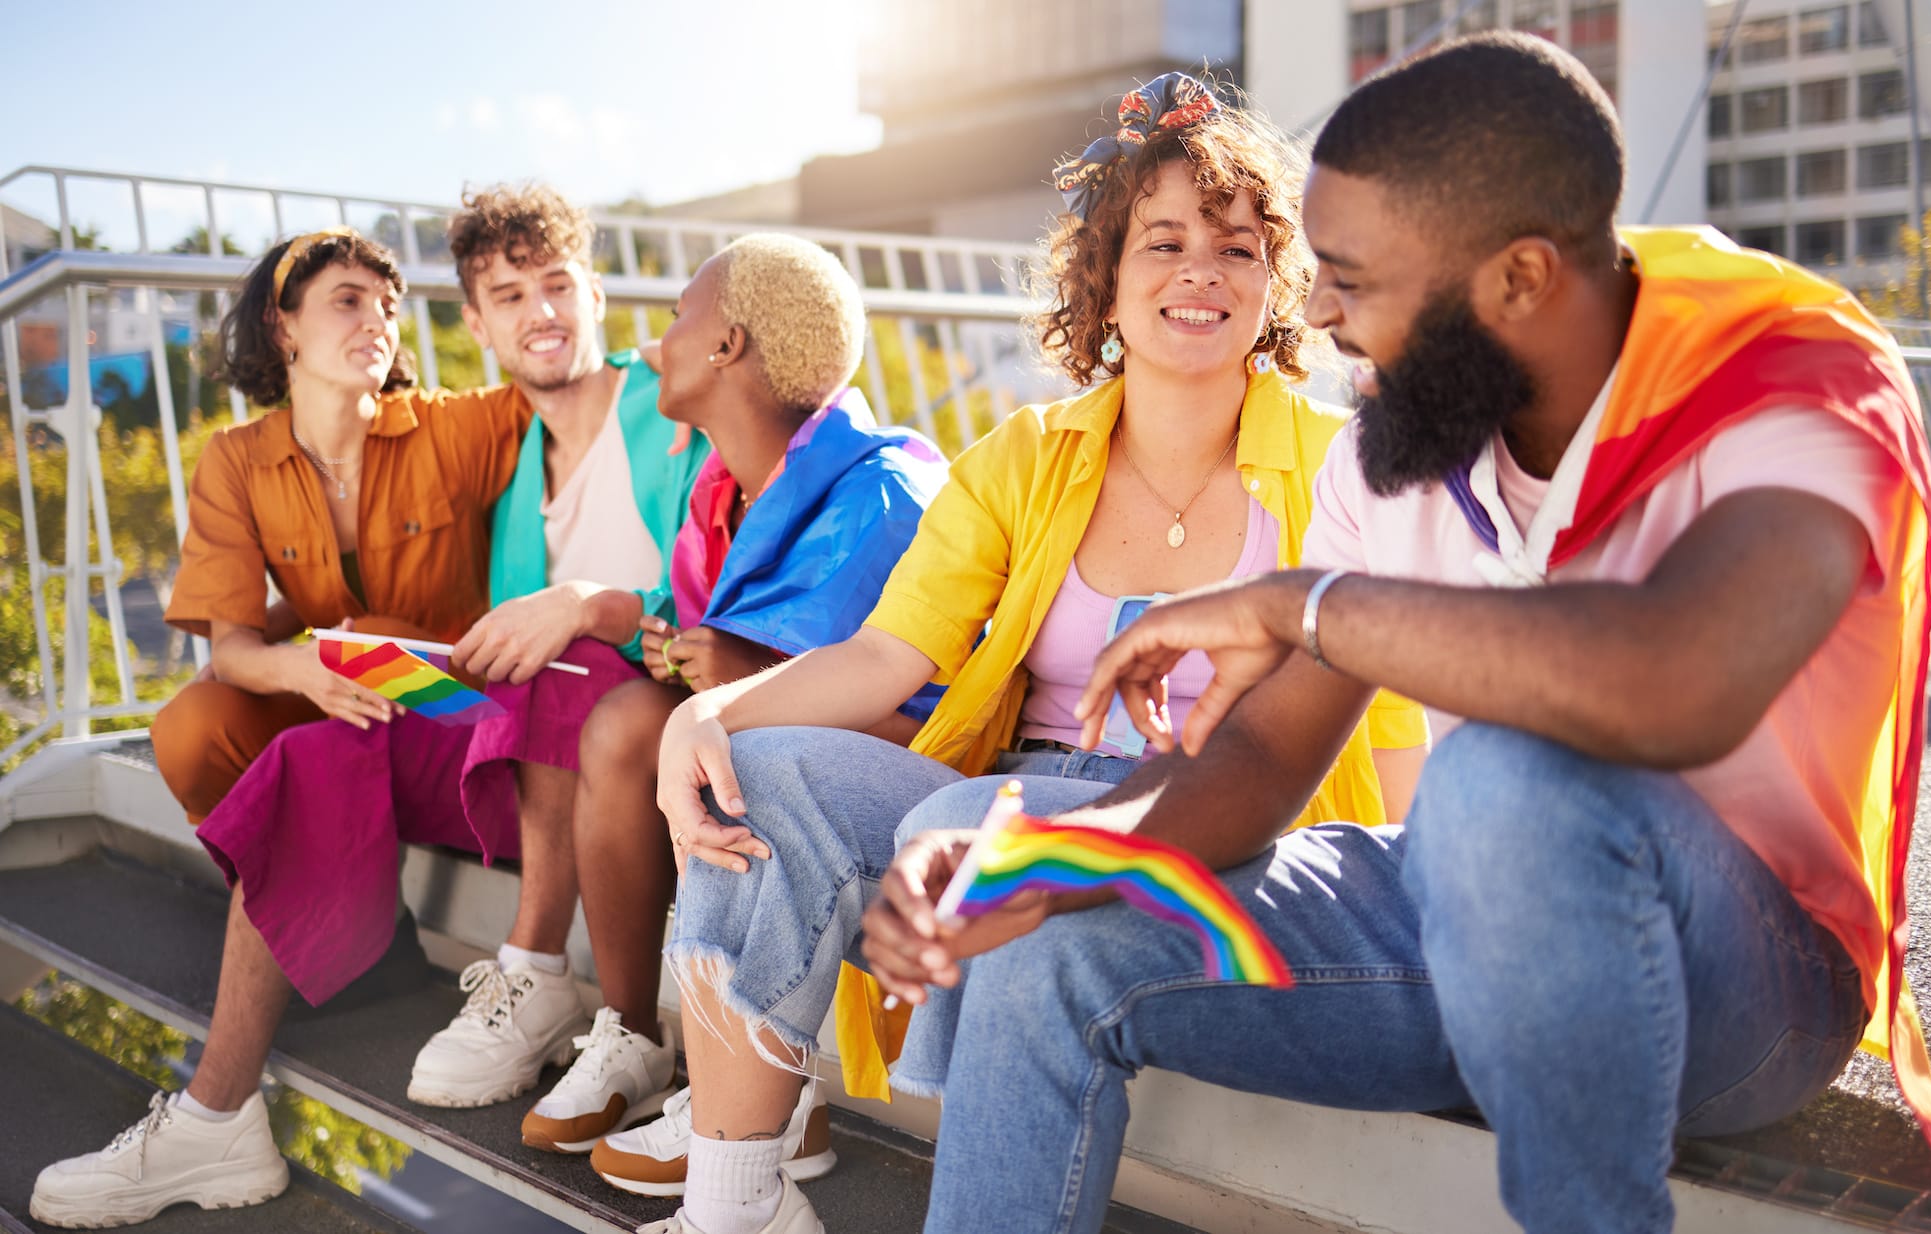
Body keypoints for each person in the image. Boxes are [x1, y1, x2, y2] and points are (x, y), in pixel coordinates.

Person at [860, 33, 1931, 1234]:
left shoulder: (1786, 377)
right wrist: (1046, 853)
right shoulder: (1390, 447)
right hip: (1459, 903)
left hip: (1746, 970)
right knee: (1058, 941)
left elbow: (1672, 682)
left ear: (1513, 279)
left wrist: (1303, 606)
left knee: (1501, 778)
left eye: (1351, 275)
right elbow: (1254, 759)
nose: (1316, 312)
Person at [646, 73, 1428, 1234]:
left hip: (1217, 825)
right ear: (1103, 282)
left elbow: (1397, 720)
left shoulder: (1340, 466)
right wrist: (702, 716)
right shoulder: (1021, 456)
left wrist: (1425, 897)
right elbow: (881, 655)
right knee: (760, 776)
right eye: (1161, 242)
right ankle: (736, 1208)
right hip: (1008, 783)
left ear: (1274, 284)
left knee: (957, 841)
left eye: (1235, 245)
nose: (1199, 271)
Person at [29, 184, 709, 1226]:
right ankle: (218, 1119)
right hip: (469, 720)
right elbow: (232, 644)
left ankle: (532, 968)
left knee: (553, 670)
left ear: (597, 293)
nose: (539, 312)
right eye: (507, 295)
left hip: (603, 725)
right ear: (474, 324)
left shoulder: (656, 409)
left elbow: (732, 496)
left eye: (558, 285)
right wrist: (310, 662)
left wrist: (688, 364)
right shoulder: (509, 440)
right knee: (296, 754)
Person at [517, 234, 947, 1181]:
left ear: (727, 347)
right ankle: (636, 1036)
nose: (658, 339)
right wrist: (678, 645)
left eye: (678, 316)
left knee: (713, 747)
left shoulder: (883, 494)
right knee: (622, 716)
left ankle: (770, 1096)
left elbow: (892, 692)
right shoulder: (719, 492)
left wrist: (739, 666)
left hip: (902, 774)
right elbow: (716, 638)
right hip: (784, 759)